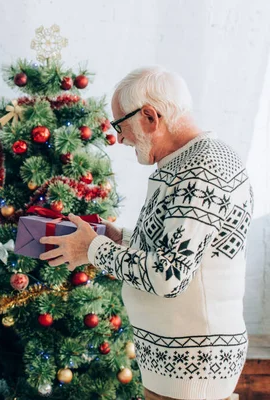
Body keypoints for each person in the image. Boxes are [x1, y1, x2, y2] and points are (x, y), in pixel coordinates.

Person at [39, 66, 252, 400]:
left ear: (151, 117)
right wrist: (117, 237)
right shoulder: (186, 163)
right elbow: (177, 248)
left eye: (119, 126)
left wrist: (93, 249)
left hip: (193, 366)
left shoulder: (201, 173)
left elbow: (168, 276)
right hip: (178, 362)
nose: (119, 139)